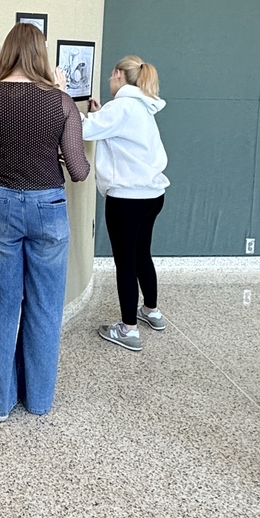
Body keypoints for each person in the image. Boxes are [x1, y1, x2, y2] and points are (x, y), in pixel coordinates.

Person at [0, 22, 90, 421]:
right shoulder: (61, 103)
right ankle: (37, 400)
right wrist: (63, 98)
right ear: (42, 55)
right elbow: (79, 170)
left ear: (6, 53)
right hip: (49, 209)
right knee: (45, 307)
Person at [81, 55, 169, 352]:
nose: (109, 79)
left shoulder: (121, 107)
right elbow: (112, 129)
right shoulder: (143, 105)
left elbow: (83, 130)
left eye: (111, 74)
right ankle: (152, 311)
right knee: (142, 253)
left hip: (127, 200)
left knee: (125, 263)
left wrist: (62, 100)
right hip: (153, 195)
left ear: (119, 74)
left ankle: (128, 330)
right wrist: (100, 113)